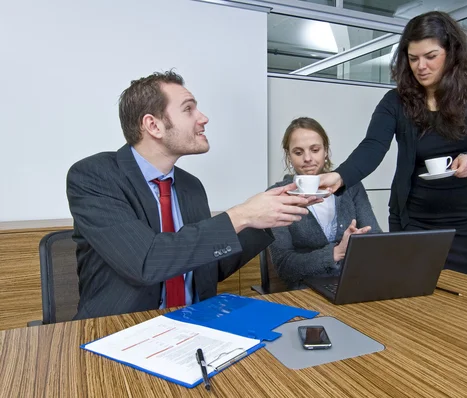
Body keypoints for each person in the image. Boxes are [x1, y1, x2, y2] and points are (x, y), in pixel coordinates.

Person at [66, 71, 317, 319]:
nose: (203, 118)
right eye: (188, 109)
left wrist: (271, 217)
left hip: (194, 325)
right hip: (118, 331)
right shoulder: (94, 176)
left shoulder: (191, 186)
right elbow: (146, 262)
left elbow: (206, 267)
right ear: (153, 125)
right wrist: (241, 214)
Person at [319, 11, 467, 279]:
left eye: (431, 56)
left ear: (451, 53)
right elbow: (372, 147)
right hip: (414, 222)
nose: (421, 66)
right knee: (412, 297)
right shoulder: (395, 102)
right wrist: (340, 176)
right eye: (413, 58)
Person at [268, 117, 381, 287]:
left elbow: (375, 239)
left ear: (326, 151)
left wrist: (360, 241)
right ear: (288, 155)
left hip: (354, 282)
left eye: (315, 150)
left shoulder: (350, 186)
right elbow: (285, 267)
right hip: (305, 289)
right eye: (298, 152)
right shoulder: (278, 195)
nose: (307, 158)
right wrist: (336, 253)